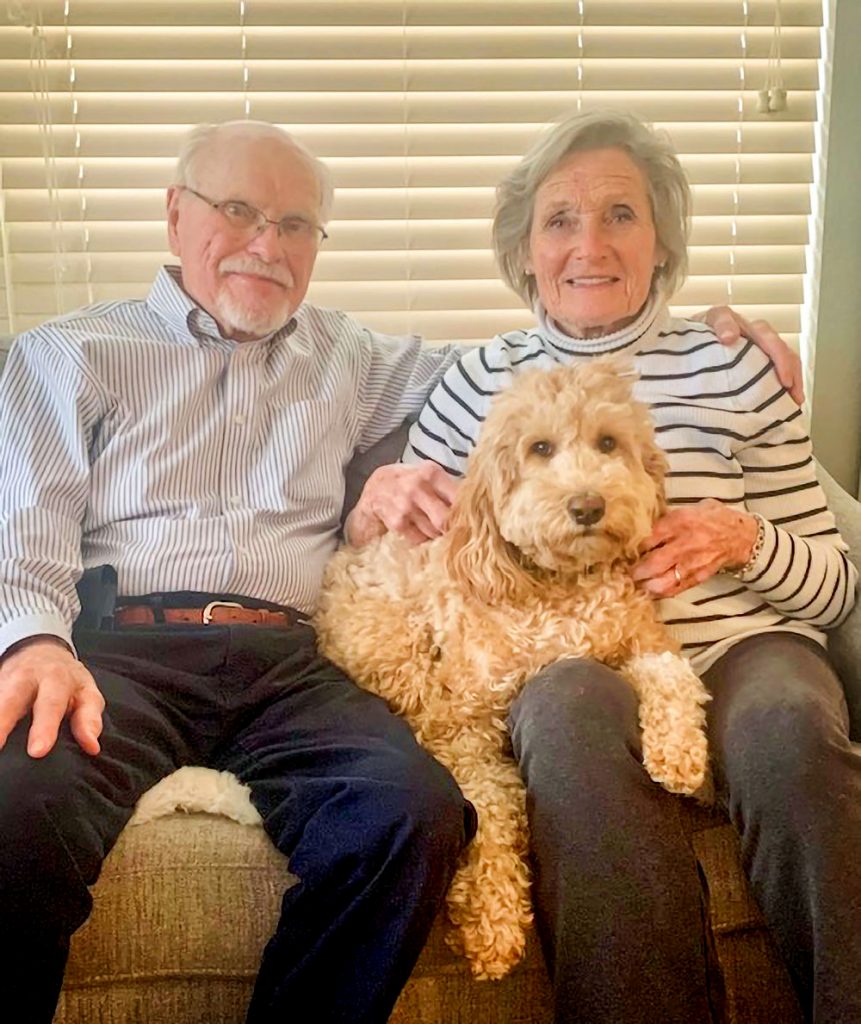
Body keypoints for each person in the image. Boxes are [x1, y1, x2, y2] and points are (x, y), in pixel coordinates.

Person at [0, 117, 807, 1024]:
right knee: (16, 808)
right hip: (116, 650)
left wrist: (717, 329)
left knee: (414, 816)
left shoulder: (355, 357)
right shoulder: (67, 355)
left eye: (296, 225)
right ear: (176, 214)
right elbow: (21, 522)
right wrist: (31, 641)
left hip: (289, 665)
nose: (267, 245)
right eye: (238, 211)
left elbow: (544, 364)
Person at [353, 111, 861, 1024]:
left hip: (741, 646)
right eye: (559, 220)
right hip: (568, 655)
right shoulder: (475, 381)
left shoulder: (735, 364)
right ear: (525, 249)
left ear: (660, 239)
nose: (588, 243)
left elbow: (835, 578)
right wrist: (372, 503)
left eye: (620, 214)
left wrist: (743, 538)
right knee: (565, 708)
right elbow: (416, 544)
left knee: (786, 728)